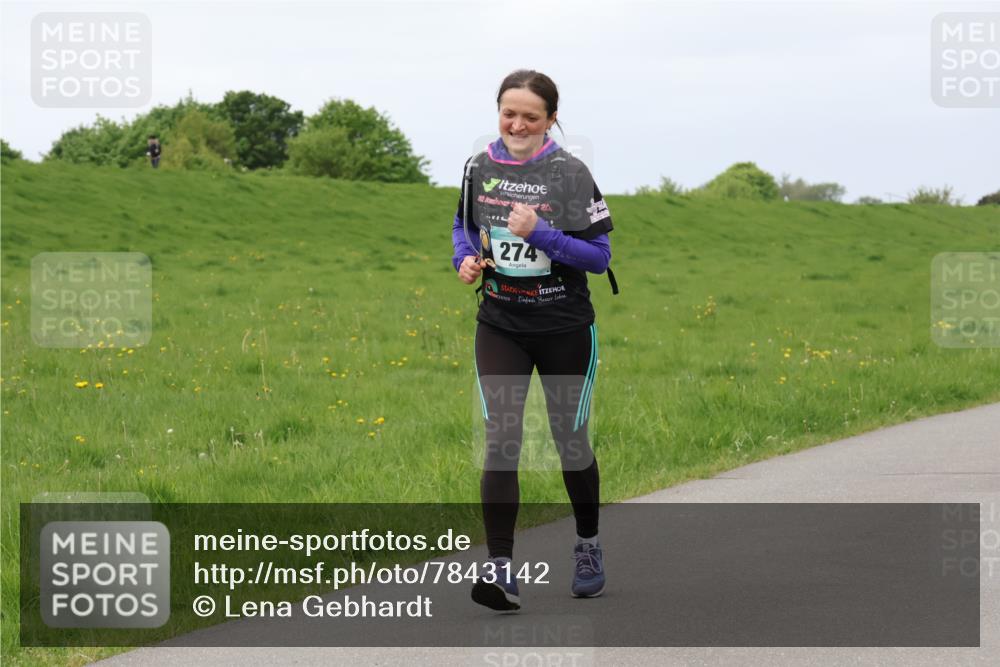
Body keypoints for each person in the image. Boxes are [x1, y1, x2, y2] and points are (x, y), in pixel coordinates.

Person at [452, 70, 615, 612]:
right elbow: (461, 225)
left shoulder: (570, 173)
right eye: (508, 113)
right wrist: (465, 259)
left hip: (564, 327)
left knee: (570, 443)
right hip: (501, 323)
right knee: (502, 439)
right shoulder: (479, 166)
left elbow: (599, 257)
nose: (517, 124)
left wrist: (540, 234)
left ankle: (587, 546)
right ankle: (500, 571)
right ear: (497, 111)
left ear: (550, 120)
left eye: (531, 116)